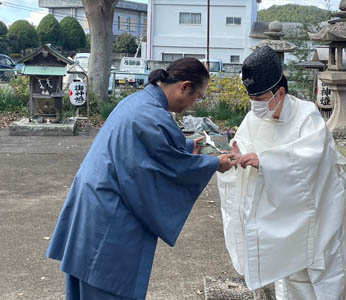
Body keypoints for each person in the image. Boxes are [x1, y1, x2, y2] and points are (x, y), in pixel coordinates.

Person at [47, 57, 237, 300]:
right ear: (184, 86)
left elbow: (148, 150)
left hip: (93, 205)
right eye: (197, 96)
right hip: (110, 217)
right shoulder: (154, 116)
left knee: (87, 285)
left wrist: (189, 148)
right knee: (105, 289)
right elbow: (165, 169)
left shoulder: (139, 101)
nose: (194, 104)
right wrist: (213, 163)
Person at [217, 46, 346, 300]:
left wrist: (266, 162)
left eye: (259, 99)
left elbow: (312, 161)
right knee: (287, 273)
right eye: (252, 99)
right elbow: (243, 149)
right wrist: (236, 158)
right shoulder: (253, 119)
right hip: (279, 216)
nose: (255, 105)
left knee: (321, 273)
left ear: (280, 92)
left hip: (318, 212)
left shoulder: (306, 116)